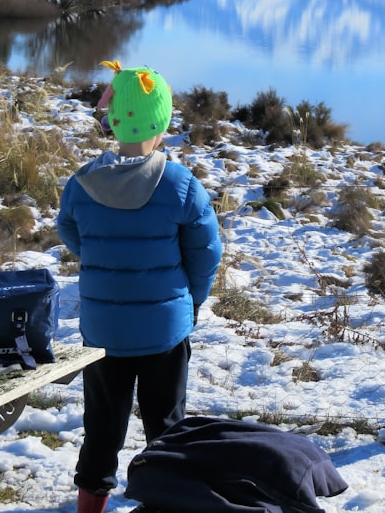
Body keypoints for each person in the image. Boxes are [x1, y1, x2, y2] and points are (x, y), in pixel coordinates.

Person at [57, 61, 223, 513]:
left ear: (113, 120)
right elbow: (206, 253)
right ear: (163, 121)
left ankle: (90, 504)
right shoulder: (182, 185)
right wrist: (191, 299)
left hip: (104, 330)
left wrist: (104, 261)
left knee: (102, 425)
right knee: (166, 426)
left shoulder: (82, 183)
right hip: (163, 331)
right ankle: (166, 501)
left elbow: (71, 234)